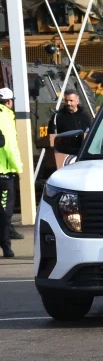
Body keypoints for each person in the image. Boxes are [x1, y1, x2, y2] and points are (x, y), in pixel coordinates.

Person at [0, 88, 23, 257]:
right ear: (9, 102)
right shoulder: (5, 117)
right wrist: (18, 168)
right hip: (3, 172)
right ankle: (6, 246)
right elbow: (9, 146)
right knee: (5, 212)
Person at [48, 91, 92, 169]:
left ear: (77, 101)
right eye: (66, 100)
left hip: (81, 151)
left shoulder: (85, 116)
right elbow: (51, 134)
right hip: (64, 153)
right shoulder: (57, 116)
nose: (68, 103)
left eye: (71, 101)